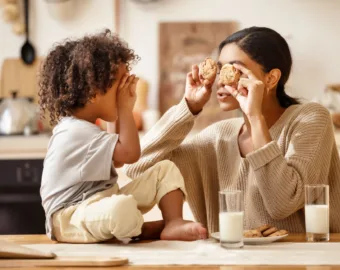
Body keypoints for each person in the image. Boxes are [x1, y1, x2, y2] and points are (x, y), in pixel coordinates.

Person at [126, 26, 340, 233]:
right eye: (220, 69)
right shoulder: (218, 136)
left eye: (235, 69)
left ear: (271, 78)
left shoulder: (310, 118)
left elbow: (282, 204)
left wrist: (255, 117)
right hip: (231, 261)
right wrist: (188, 106)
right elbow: (137, 168)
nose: (221, 80)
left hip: (302, 262)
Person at [39, 29, 207, 243]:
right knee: (121, 208)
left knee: (164, 170)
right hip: (70, 217)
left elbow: (117, 160)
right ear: (93, 94)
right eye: (120, 86)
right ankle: (141, 230)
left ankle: (173, 222)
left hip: (100, 201)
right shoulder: (75, 132)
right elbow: (129, 154)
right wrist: (125, 108)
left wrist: (118, 110)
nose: (125, 92)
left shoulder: (84, 127)